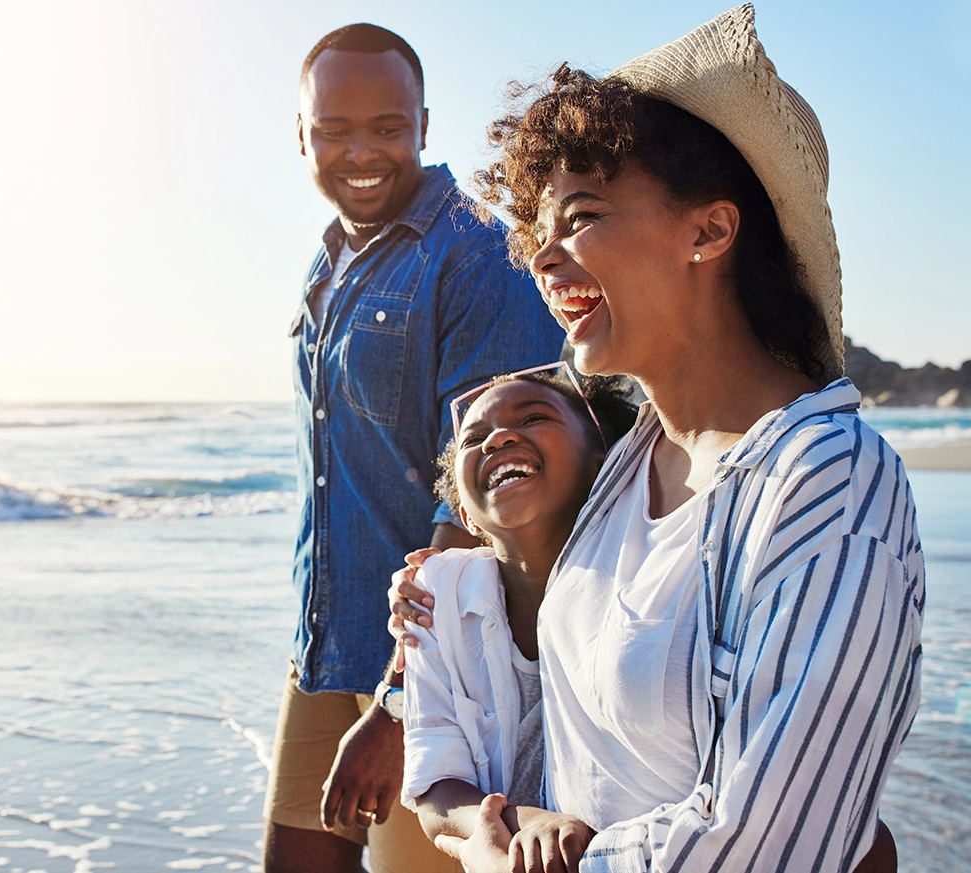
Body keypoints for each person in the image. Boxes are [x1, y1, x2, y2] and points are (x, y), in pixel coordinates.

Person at [387, 6, 920, 871]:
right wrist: (439, 600)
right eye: (539, 232)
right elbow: (570, 705)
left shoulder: (827, 481)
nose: (542, 258)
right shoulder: (624, 467)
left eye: (582, 216)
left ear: (708, 230)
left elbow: (768, 843)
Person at [264, 22, 566, 873]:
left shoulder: (474, 256)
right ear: (302, 135)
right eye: (333, 130)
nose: (361, 152)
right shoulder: (328, 263)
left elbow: (487, 498)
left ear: (425, 125)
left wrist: (399, 703)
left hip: (432, 672)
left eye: (387, 128)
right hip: (326, 652)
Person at [400, 366, 637, 872]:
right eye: (474, 438)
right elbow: (434, 782)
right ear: (463, 512)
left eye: (533, 417)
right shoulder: (433, 596)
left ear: (603, 465)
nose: (500, 437)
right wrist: (517, 824)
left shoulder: (644, 587)